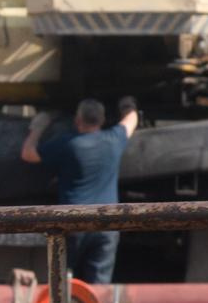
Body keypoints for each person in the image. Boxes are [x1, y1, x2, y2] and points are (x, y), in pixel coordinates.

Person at [19, 96, 138, 284]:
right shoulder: (114, 139)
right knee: (98, 287)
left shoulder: (68, 144)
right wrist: (126, 104)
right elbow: (131, 119)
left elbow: (28, 154)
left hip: (74, 223)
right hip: (107, 225)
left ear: (77, 121)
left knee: (63, 281)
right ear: (103, 120)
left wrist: (38, 127)